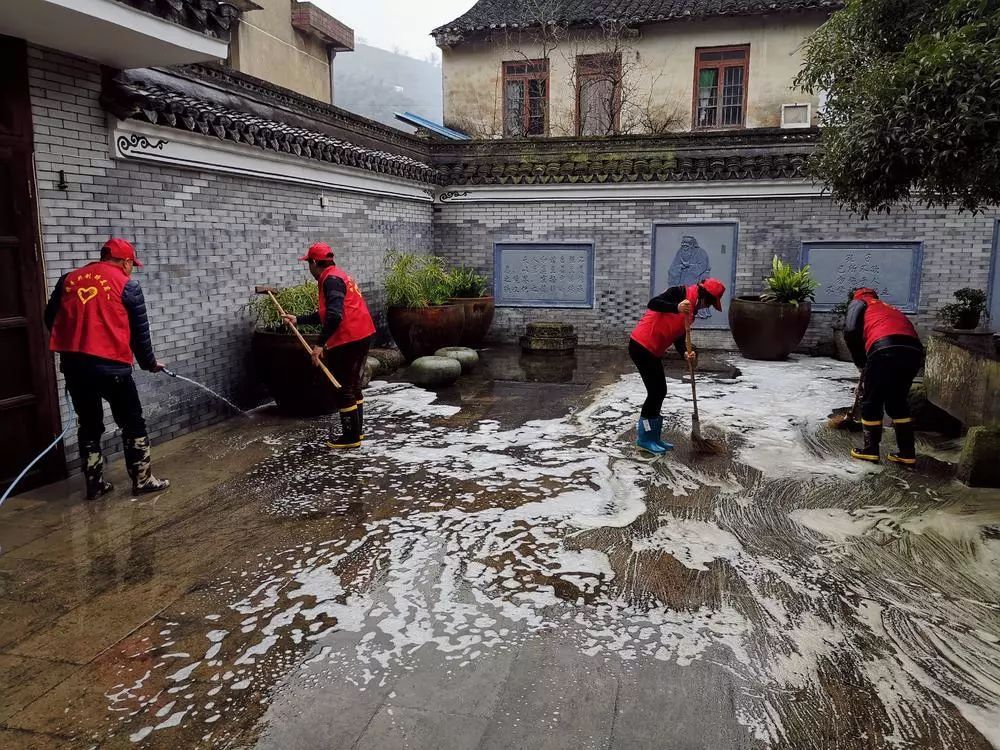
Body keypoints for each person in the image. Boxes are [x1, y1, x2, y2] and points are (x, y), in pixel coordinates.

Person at [45, 238, 169, 499]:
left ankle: (95, 485)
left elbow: (50, 318)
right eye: (131, 264)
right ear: (125, 261)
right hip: (113, 368)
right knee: (133, 423)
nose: (131, 268)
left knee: (89, 425)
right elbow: (140, 335)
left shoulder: (69, 279)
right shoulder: (127, 285)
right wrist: (149, 364)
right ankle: (142, 480)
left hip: (75, 367)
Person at [283, 243, 376, 449]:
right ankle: (356, 434)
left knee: (343, 387)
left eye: (308, 263)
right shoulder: (339, 275)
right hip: (363, 333)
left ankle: (350, 438)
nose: (309, 268)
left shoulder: (331, 280)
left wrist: (319, 345)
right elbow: (328, 312)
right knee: (352, 385)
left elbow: (334, 316)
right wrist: (298, 319)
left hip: (349, 337)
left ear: (315, 263)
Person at [628, 278, 726, 454]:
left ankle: (654, 437)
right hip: (641, 345)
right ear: (705, 297)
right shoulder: (680, 293)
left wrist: (685, 354)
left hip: (653, 350)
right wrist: (677, 307)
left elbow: (679, 338)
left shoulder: (691, 312)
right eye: (710, 304)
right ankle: (645, 438)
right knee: (656, 392)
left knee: (659, 391)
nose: (708, 308)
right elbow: (653, 303)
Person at [844, 288, 924, 465]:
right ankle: (907, 453)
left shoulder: (859, 303)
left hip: (885, 348)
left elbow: (850, 331)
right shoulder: (888, 307)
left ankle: (870, 450)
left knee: (872, 400)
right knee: (897, 401)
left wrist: (860, 362)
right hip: (913, 351)